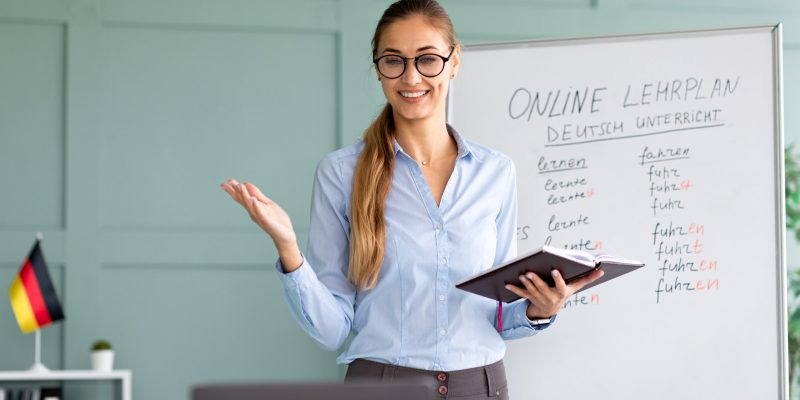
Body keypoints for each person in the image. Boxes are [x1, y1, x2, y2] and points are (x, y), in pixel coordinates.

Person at [221, 0, 603, 398]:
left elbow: (499, 311)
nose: (411, 76)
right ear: (378, 69)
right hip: (382, 386)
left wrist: (542, 308)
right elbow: (332, 329)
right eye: (394, 61)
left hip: (482, 386)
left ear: (454, 62)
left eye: (427, 59)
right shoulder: (341, 173)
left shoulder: (496, 172)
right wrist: (288, 249)